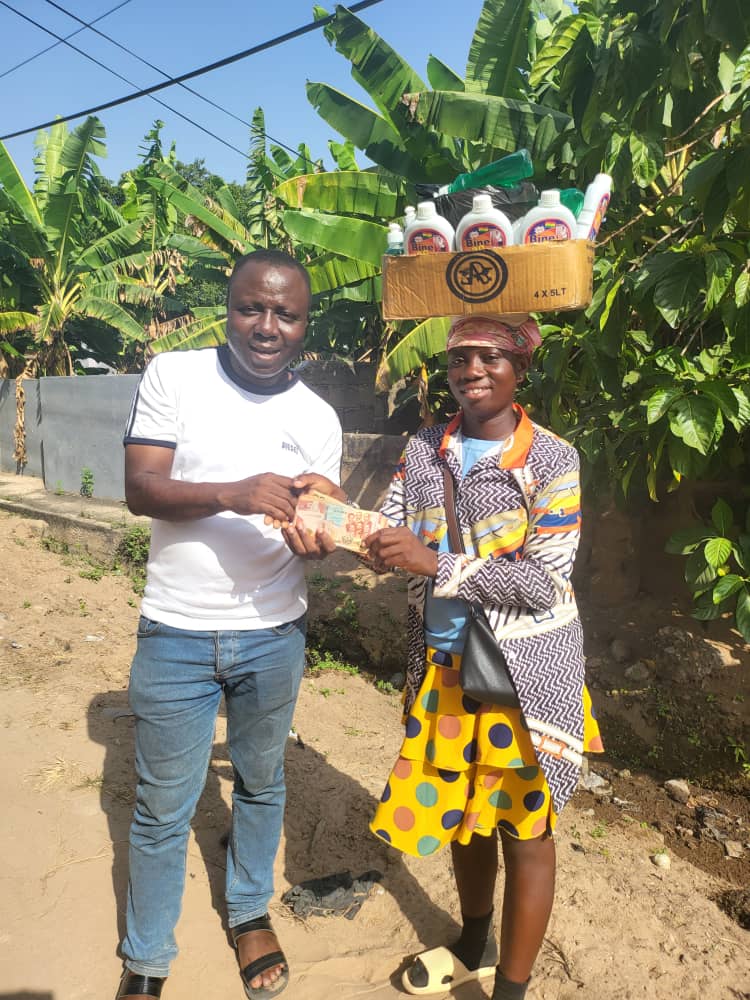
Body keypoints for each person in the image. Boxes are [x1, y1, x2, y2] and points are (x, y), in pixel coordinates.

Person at [116, 249, 344, 1000]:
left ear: (305, 323)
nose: (267, 326)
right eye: (253, 307)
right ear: (229, 305)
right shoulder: (175, 375)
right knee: (161, 806)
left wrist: (321, 533)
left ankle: (248, 912)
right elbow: (141, 489)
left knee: (261, 780)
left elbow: (323, 528)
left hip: (273, 634)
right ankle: (147, 957)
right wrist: (236, 493)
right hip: (175, 631)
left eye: (286, 313)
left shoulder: (317, 417)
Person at [364, 315, 603, 1000]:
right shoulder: (424, 446)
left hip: (521, 678)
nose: (472, 369)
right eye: (460, 357)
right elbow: (392, 529)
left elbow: (545, 581)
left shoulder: (551, 460)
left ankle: (513, 990)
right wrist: (338, 528)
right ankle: (474, 939)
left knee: (526, 829)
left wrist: (436, 562)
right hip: (442, 669)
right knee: (466, 818)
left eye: (491, 357)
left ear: (520, 369)